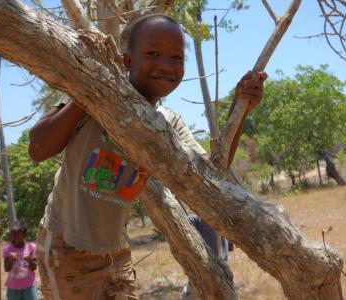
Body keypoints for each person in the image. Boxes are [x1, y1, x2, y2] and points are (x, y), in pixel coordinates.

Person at [29, 13, 266, 300]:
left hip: (116, 251)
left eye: (176, 57)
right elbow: (38, 149)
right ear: (127, 61)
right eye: (153, 53)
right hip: (66, 248)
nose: (166, 65)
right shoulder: (95, 95)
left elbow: (212, 173)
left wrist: (239, 111)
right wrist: (88, 92)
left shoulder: (168, 122)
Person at [179, 215, 231, 300]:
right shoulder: (224, 221)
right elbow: (229, 248)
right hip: (223, 275)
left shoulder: (197, 220)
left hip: (204, 275)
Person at [3, 220, 38, 300]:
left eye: (16, 235)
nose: (13, 238)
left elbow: (34, 267)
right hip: (13, 288)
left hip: (29, 286)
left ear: (24, 235)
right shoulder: (7, 249)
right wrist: (10, 260)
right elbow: (6, 269)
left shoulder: (31, 247)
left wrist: (30, 260)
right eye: (11, 235)